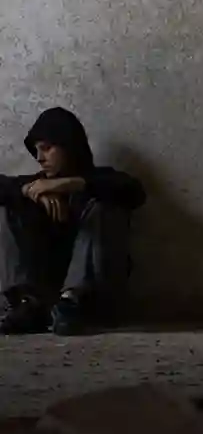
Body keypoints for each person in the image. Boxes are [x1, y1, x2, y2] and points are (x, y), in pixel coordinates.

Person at [0, 107, 146, 335]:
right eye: (36, 151)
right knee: (9, 204)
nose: (39, 158)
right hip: (47, 297)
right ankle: (27, 304)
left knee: (106, 206)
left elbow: (135, 192)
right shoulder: (37, 185)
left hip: (96, 297)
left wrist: (72, 184)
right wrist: (27, 190)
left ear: (68, 146)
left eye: (46, 149)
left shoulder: (102, 179)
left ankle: (73, 301)